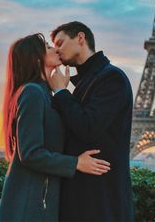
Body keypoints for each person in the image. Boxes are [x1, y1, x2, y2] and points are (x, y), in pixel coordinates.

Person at [0, 33, 111, 222]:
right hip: (28, 207)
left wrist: (60, 91)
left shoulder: (43, 93)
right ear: (36, 57)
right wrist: (76, 163)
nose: (55, 49)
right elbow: (30, 153)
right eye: (48, 47)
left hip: (36, 204)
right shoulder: (32, 92)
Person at [48, 21, 134, 222]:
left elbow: (88, 127)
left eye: (60, 43)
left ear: (80, 38)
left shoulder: (112, 78)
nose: (57, 50)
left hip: (99, 199)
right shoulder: (90, 81)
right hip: (89, 195)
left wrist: (60, 91)